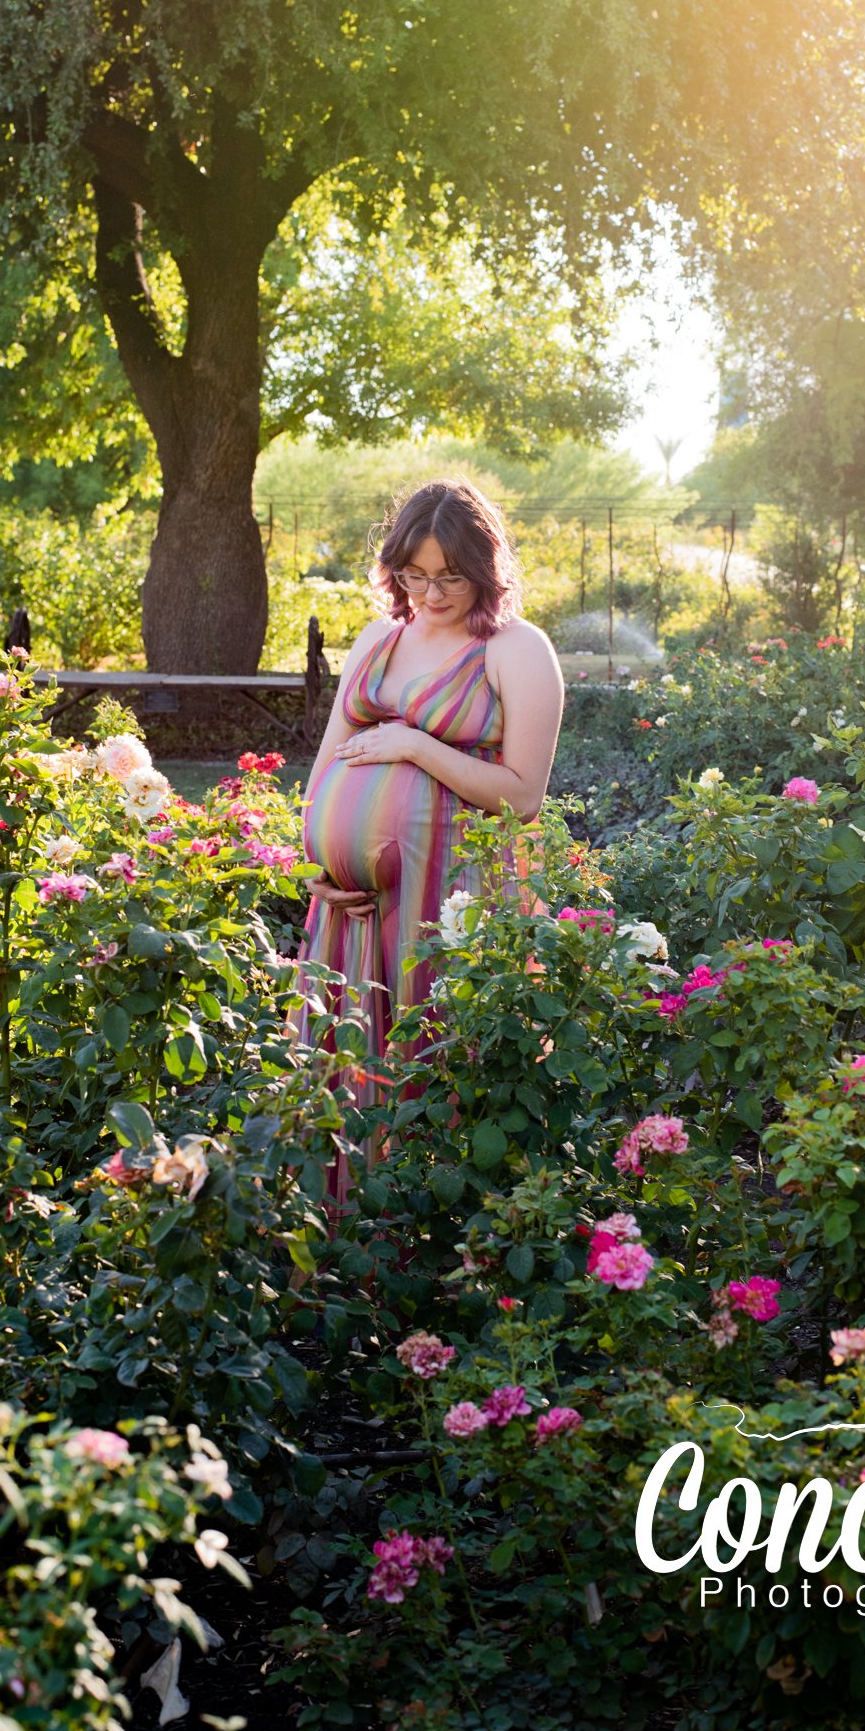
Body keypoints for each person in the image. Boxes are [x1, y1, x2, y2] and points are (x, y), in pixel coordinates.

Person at [290, 478, 564, 1207]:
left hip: (447, 907)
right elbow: (325, 769)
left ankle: (425, 1255)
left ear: (485, 568)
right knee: (344, 1065)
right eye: (415, 574)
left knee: (429, 1057)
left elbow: (523, 794)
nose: (432, 592)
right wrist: (312, 863)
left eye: (450, 576)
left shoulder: (514, 649)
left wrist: (414, 745)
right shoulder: (380, 638)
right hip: (348, 912)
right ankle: (333, 1250)